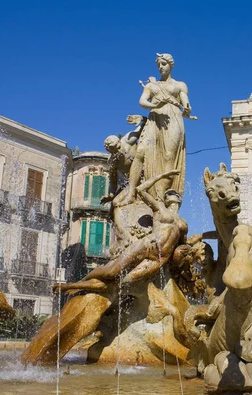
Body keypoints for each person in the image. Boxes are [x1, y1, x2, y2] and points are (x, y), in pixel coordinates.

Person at [56, 170, 188, 294]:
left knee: (122, 283)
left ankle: (76, 287)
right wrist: (163, 175)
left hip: (159, 259)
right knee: (111, 273)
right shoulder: (159, 208)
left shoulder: (183, 223)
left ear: (179, 200)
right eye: (167, 194)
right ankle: (78, 283)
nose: (169, 196)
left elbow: (183, 244)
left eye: (172, 194)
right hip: (146, 246)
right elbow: (140, 189)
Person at [125, 53, 191, 204]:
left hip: (173, 118)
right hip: (155, 119)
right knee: (141, 152)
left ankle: (162, 196)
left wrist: (187, 108)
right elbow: (142, 101)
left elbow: (186, 102)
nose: (161, 67)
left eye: (164, 64)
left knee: (169, 156)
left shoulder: (180, 85)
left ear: (170, 65)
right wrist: (154, 105)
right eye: (159, 65)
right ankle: (131, 192)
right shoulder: (151, 86)